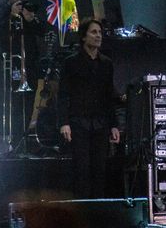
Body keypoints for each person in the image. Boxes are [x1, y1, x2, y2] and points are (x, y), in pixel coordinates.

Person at [58, 19, 121, 198]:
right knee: (81, 170)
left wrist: (114, 125)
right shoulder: (71, 62)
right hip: (79, 122)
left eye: (100, 32)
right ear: (83, 37)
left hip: (100, 123)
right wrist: (64, 122)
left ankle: (98, 211)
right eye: (94, 32)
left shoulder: (106, 63)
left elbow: (109, 95)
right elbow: (63, 94)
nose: (98, 36)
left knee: (100, 170)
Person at [0, 0, 46, 143]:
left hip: (30, 63)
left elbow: (42, 31)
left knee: (31, 102)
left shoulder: (28, 9)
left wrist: (31, 20)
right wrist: (12, 16)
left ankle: (28, 138)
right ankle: (14, 140)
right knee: (15, 104)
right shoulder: (2, 10)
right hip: (13, 65)